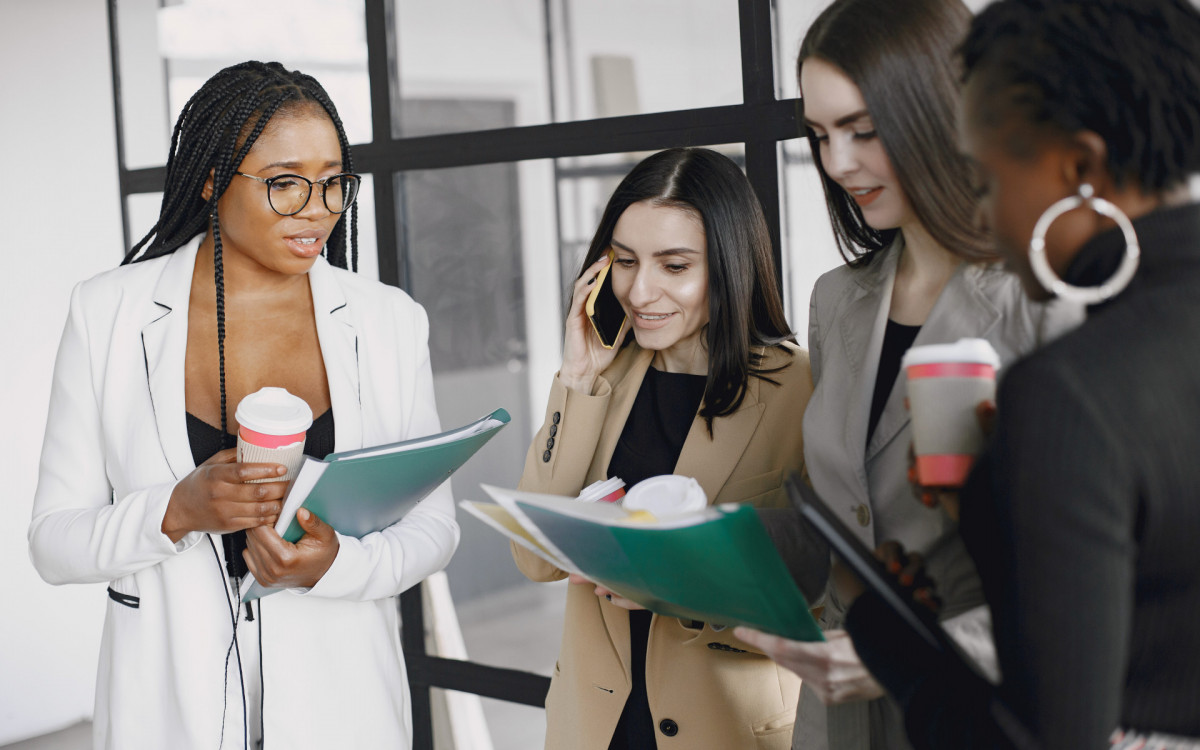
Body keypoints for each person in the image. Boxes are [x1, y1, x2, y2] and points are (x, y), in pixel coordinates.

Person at [27, 61, 459, 750]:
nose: (317, 209)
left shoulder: (387, 322)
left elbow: (434, 529)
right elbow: (53, 542)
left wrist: (334, 565)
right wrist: (176, 511)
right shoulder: (107, 313)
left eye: (333, 182)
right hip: (168, 711)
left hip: (343, 706)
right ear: (211, 178)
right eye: (285, 183)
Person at [835, 1, 1200, 747]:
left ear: (1081, 170)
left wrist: (886, 632)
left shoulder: (1072, 392)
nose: (986, 215)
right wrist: (987, 504)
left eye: (985, 179)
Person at [735, 2, 1080, 749]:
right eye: (820, 136)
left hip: (980, 718)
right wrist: (684, 543)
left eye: (863, 130)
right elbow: (847, 522)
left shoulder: (1049, 297)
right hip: (841, 726)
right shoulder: (838, 299)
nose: (837, 163)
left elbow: (1102, 578)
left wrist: (908, 655)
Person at [510, 147, 812, 750]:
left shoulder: (799, 388)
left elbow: (822, 582)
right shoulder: (599, 380)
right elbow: (535, 559)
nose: (640, 291)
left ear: (729, 267)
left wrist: (683, 578)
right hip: (596, 728)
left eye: (674, 266)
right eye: (624, 262)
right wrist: (576, 378)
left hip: (730, 727)